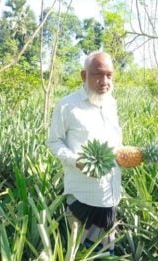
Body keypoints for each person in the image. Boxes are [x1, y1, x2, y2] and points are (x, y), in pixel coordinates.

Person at [47, 51, 122, 255]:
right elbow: (54, 141)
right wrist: (76, 161)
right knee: (82, 254)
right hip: (83, 196)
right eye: (97, 74)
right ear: (83, 75)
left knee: (106, 253)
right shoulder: (67, 106)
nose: (104, 81)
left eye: (109, 75)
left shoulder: (111, 104)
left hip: (110, 196)